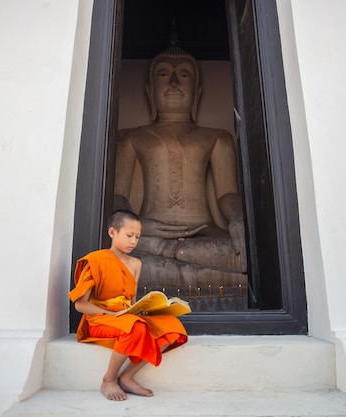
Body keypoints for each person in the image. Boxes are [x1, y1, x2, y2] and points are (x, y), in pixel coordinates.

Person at [114, 46, 247, 277]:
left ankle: (171, 254)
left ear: (197, 93)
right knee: (119, 256)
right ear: (150, 91)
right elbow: (118, 197)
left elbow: (227, 194)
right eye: (164, 75)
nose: (174, 82)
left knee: (234, 251)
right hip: (147, 236)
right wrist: (139, 226)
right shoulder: (130, 137)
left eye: (184, 75)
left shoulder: (218, 138)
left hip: (204, 236)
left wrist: (238, 217)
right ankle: (168, 252)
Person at [69, 209, 188, 401]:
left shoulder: (135, 264)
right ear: (112, 233)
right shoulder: (96, 260)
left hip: (127, 317)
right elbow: (80, 305)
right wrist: (112, 314)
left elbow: (131, 300)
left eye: (138, 237)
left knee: (172, 328)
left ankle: (126, 376)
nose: (133, 241)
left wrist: (141, 309)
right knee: (135, 327)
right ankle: (108, 380)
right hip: (100, 319)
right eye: (129, 235)